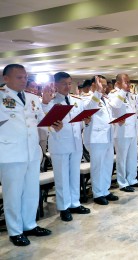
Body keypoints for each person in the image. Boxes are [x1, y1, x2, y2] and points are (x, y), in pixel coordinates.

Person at [0, 64, 57, 246]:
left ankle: (29, 224)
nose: (24, 80)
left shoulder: (33, 98)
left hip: (32, 152)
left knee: (31, 191)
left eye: (25, 77)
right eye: (19, 77)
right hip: (10, 153)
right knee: (13, 194)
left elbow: (42, 121)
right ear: (6, 78)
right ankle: (15, 231)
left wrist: (53, 124)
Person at [42, 72, 91, 222]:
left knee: (74, 175)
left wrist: (86, 121)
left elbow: (79, 122)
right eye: (64, 84)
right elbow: (44, 123)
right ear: (56, 85)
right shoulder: (49, 102)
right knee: (62, 177)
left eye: (70, 83)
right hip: (60, 144)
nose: (67, 86)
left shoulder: (76, 100)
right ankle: (64, 207)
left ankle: (75, 203)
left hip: (76, 142)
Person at [82, 75, 119, 205]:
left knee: (107, 165)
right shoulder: (87, 98)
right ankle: (98, 193)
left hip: (108, 135)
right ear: (93, 85)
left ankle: (105, 190)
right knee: (98, 166)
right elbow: (88, 109)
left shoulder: (106, 99)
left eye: (104, 85)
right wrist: (97, 92)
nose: (104, 88)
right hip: (96, 138)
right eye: (101, 85)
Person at [108, 73, 138, 189]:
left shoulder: (131, 95)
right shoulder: (113, 94)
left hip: (132, 130)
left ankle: (132, 179)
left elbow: (134, 110)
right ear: (118, 83)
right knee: (122, 158)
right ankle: (122, 182)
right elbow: (116, 105)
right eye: (126, 82)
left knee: (132, 157)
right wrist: (123, 91)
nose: (128, 84)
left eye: (129, 82)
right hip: (121, 131)